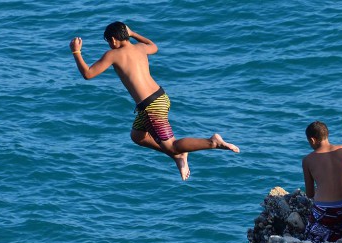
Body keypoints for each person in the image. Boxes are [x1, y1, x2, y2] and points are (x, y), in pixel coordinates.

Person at [69, 21, 239, 181]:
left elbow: (88, 74)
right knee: (137, 136)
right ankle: (178, 156)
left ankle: (211, 142)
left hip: (151, 107)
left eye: (108, 41)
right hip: (160, 98)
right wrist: (134, 33)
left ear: (113, 40)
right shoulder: (140, 48)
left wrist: (76, 52)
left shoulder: (113, 54)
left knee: (171, 145)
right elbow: (154, 47)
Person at [302, 121, 342, 243]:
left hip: (323, 211)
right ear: (327, 135)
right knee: (338, 233)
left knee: (310, 239)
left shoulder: (308, 160)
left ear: (312, 140)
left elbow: (309, 193)